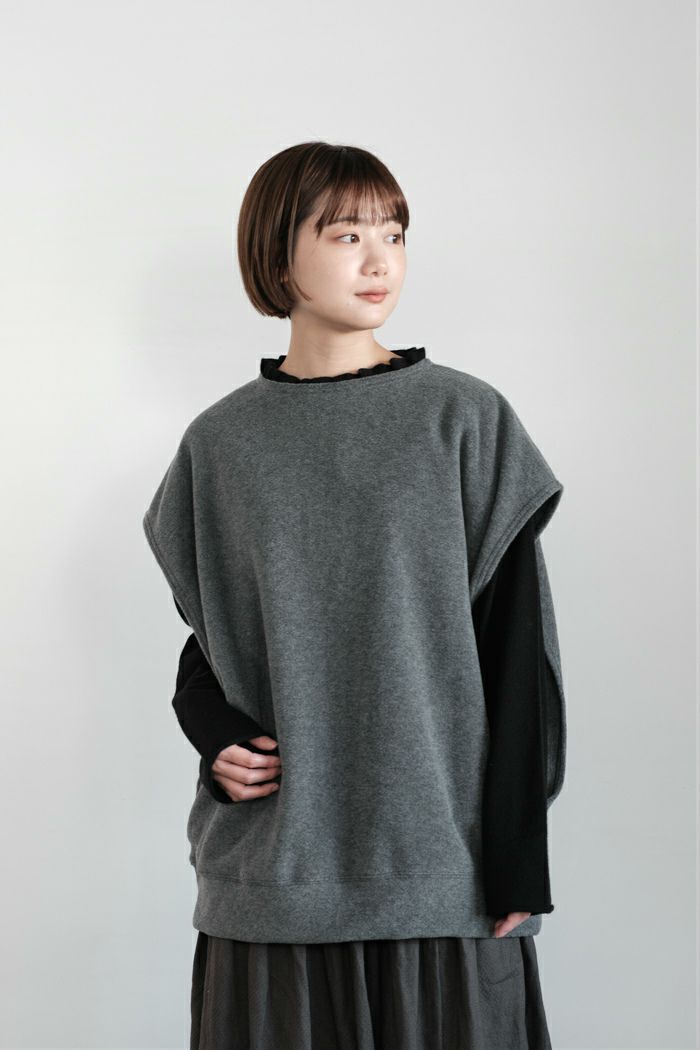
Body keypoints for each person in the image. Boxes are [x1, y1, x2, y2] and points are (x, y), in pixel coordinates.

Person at [142, 141, 567, 1050]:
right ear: (276, 255)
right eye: (346, 236)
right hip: (275, 876)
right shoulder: (221, 443)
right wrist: (215, 737)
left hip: (439, 873)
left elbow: (516, 647)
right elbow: (213, 639)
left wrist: (516, 859)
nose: (380, 261)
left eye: (395, 234)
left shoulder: (463, 418)